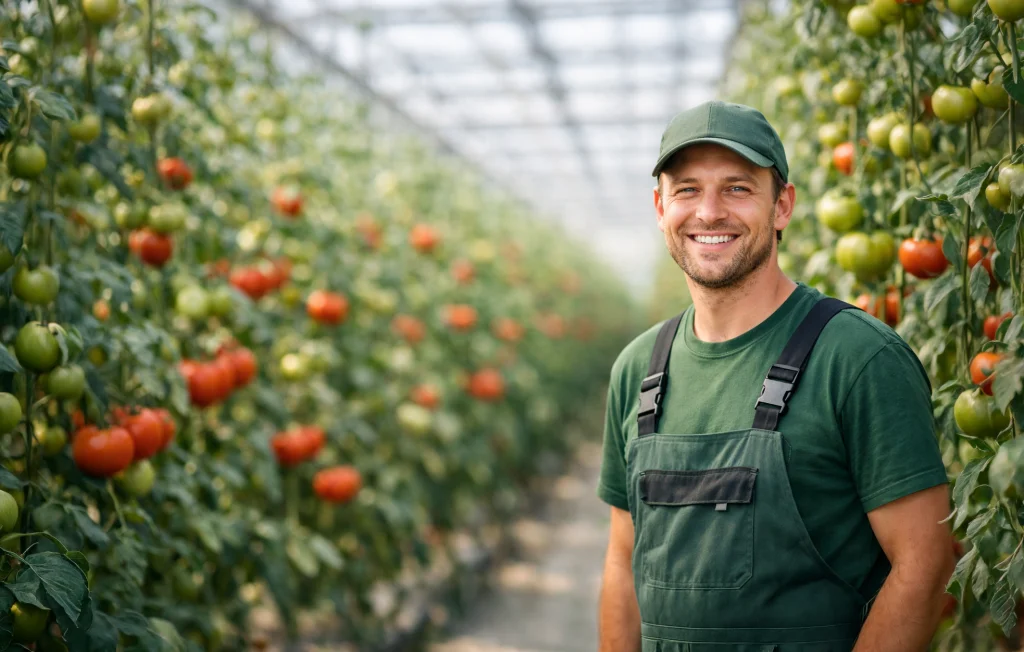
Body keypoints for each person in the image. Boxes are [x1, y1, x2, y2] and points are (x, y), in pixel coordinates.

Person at [596, 101, 955, 652]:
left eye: (738, 188)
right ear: (659, 206)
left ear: (782, 205)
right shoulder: (639, 370)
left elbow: (925, 567)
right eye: (687, 189)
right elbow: (623, 561)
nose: (709, 212)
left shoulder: (857, 358)